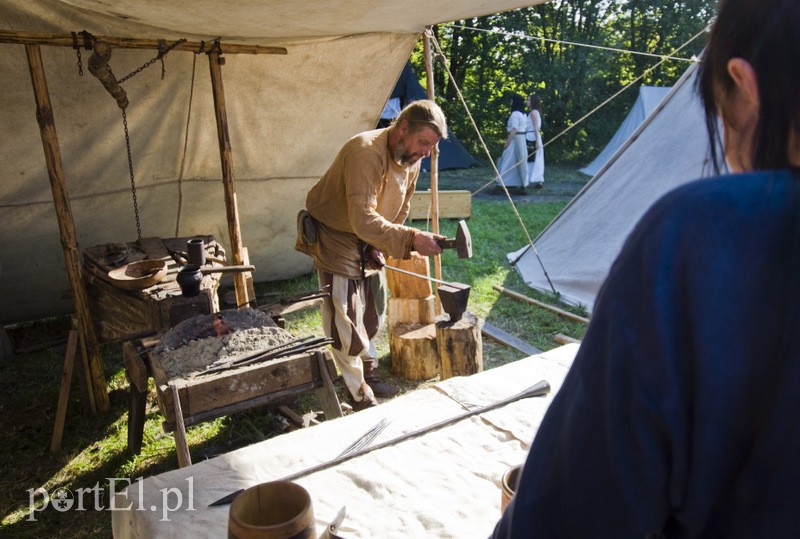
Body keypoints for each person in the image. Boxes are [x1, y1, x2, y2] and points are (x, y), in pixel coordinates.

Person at [492, 0, 800, 536]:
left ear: (744, 83)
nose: (728, 148)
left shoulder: (701, 239)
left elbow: (573, 512)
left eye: (722, 118)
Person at [296, 100, 447, 410]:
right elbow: (362, 218)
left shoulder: (410, 157)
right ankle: (358, 392)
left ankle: (369, 371)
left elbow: (401, 207)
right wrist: (410, 239)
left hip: (370, 233)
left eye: (431, 146)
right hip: (336, 231)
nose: (426, 152)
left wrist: (381, 244)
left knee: (373, 306)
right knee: (345, 313)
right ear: (403, 129)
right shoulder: (365, 151)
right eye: (423, 142)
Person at [496, 94, 529, 189]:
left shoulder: (515, 114)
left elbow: (514, 129)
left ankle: (504, 181)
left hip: (516, 139)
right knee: (518, 159)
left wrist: (507, 142)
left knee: (507, 159)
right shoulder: (523, 114)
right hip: (522, 138)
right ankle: (517, 182)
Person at [525, 94, 544, 188]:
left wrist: (536, 141)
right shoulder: (534, 112)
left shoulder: (533, 112)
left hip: (532, 136)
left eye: (528, 100)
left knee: (532, 157)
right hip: (532, 135)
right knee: (533, 158)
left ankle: (536, 179)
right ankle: (536, 179)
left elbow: (536, 127)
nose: (527, 101)